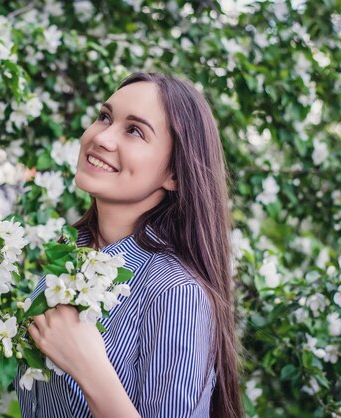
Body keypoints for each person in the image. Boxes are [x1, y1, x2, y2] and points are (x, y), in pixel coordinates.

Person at [15, 72, 242, 418]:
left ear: (174, 174)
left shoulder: (174, 291)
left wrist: (90, 368)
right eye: (105, 117)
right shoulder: (73, 253)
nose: (102, 137)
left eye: (134, 130)